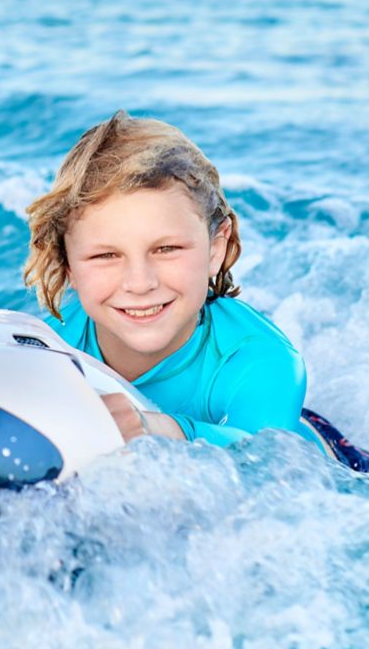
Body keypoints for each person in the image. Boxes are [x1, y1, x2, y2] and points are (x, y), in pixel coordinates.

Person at [23, 110, 322, 449]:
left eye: (166, 249)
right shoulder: (51, 349)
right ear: (68, 267)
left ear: (215, 249)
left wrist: (159, 428)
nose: (139, 282)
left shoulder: (261, 359)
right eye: (106, 256)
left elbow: (267, 459)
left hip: (324, 454)